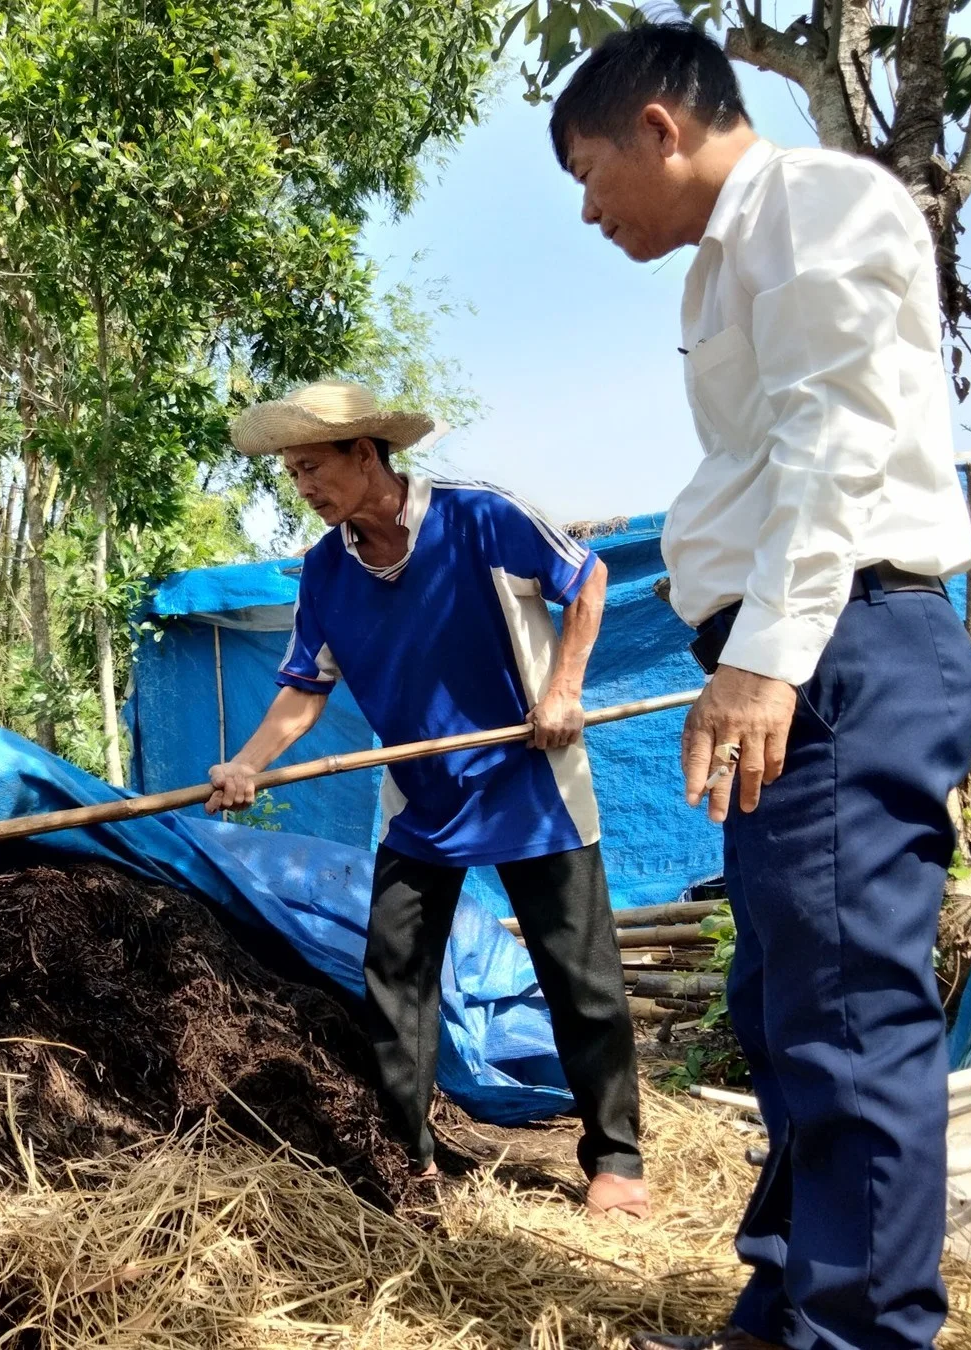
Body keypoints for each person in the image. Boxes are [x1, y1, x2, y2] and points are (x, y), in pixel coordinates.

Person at [550, 24, 971, 1350]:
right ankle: (792, 1306)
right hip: (813, 649)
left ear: (660, 130)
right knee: (788, 1009)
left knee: (848, 1019)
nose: (588, 211)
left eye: (588, 173)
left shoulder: (809, 203)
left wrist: (762, 660)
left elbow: (835, 440)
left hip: (839, 647)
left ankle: (859, 1331)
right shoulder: (734, 259)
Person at [206, 378, 649, 1217]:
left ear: (365, 454)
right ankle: (407, 1161)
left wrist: (563, 690)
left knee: (580, 979)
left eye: (311, 467)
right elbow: (305, 689)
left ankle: (617, 1159)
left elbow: (585, 579)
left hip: (533, 782)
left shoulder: (482, 515)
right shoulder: (324, 571)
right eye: (292, 473)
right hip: (420, 801)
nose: (302, 488)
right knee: (396, 979)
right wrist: (247, 763)